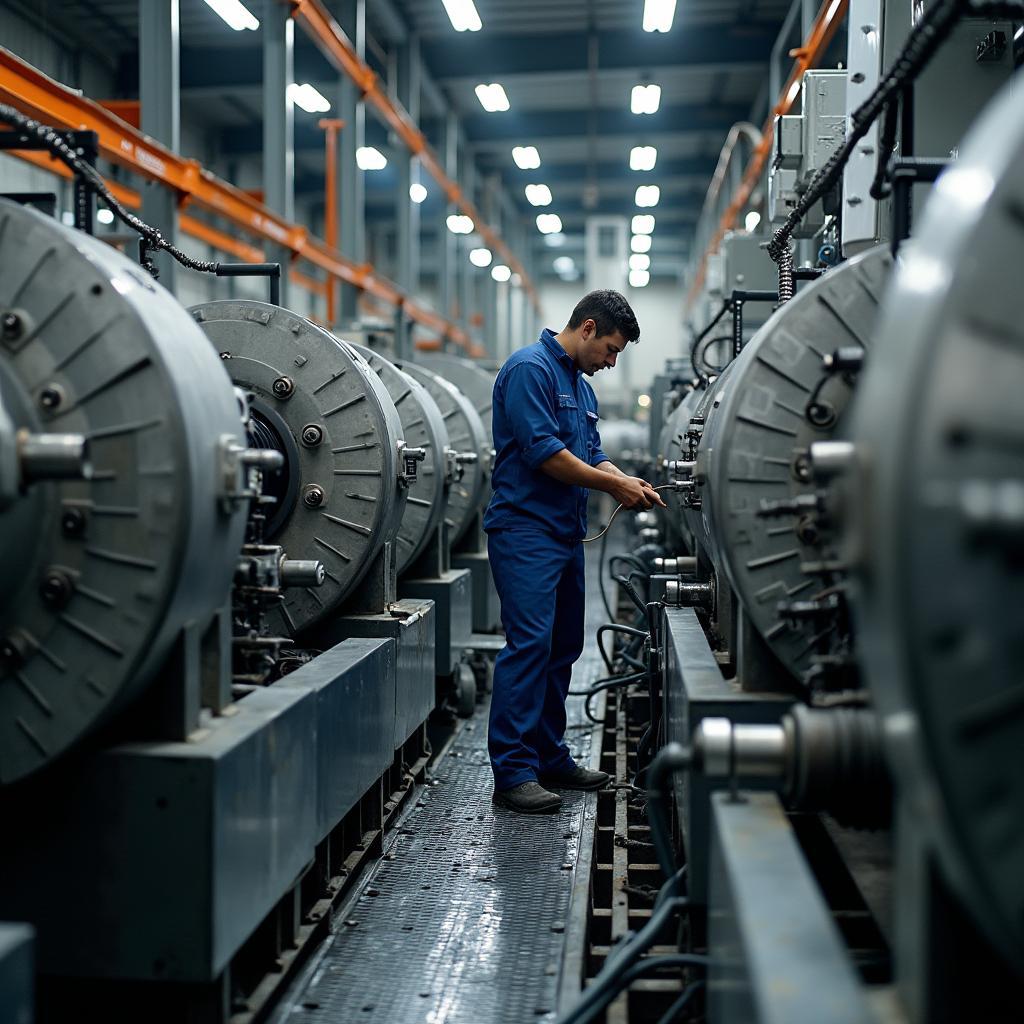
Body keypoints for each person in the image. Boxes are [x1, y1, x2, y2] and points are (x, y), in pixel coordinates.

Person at [484, 289, 666, 815]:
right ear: (587, 328)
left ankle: (548, 756)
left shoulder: (581, 389)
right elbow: (546, 456)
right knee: (529, 647)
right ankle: (514, 772)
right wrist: (613, 488)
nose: (611, 362)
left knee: (562, 647)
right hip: (525, 534)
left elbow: (592, 456)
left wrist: (625, 480)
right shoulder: (529, 370)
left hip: (562, 537)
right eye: (610, 349)